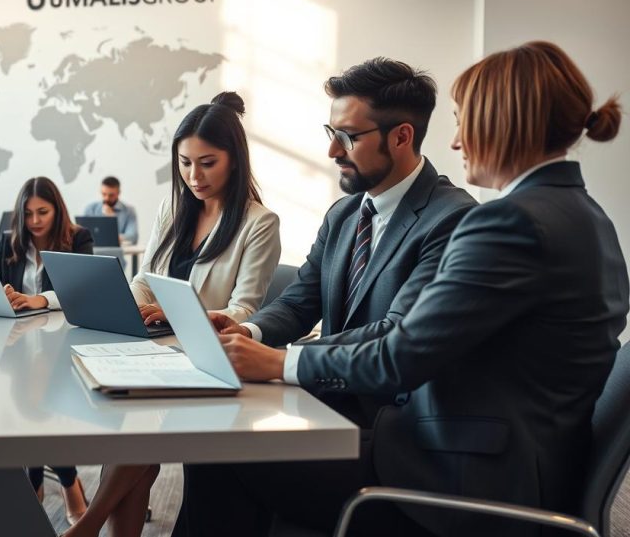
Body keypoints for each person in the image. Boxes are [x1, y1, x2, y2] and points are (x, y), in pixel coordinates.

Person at [180, 42, 628, 537]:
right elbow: (322, 305)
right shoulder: (584, 216)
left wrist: (282, 362)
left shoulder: (510, 223)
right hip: (497, 458)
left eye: (463, 121)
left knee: (222, 449)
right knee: (233, 448)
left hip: (461, 481)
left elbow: (401, 351)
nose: (457, 142)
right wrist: (257, 334)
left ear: (503, 121)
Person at [209, 58, 476, 426]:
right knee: (214, 445)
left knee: (227, 449)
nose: (333, 151)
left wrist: (280, 359)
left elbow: (394, 333)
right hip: (326, 401)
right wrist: (248, 330)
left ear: (401, 136)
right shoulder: (344, 214)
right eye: (330, 133)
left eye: (348, 136)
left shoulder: (452, 219)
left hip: (391, 421)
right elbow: (301, 302)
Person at [65, 91, 281, 537]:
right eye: (184, 163)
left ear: (234, 160)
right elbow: (145, 276)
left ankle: (88, 522)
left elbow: (244, 307)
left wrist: (174, 310)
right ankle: (93, 526)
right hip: (156, 351)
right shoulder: (172, 208)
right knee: (136, 436)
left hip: (207, 356)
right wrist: (123, 301)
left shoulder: (259, 222)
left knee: (139, 428)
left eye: (207, 163)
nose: (193, 176)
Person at [0, 176, 93, 524]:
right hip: (16, 341)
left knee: (40, 403)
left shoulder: (78, 239)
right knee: (26, 404)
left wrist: (38, 299)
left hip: (61, 342)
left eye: (42, 212)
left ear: (56, 209)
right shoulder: (9, 242)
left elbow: (82, 290)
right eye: (28, 213)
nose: (34, 221)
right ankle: (61, 482)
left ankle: (54, 481)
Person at [83, 176, 139, 244]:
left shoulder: (129, 211)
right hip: (94, 250)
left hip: (117, 251)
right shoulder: (91, 208)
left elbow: (133, 237)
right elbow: (84, 234)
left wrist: (112, 219)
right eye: (104, 194)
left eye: (111, 195)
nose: (106, 198)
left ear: (118, 193)